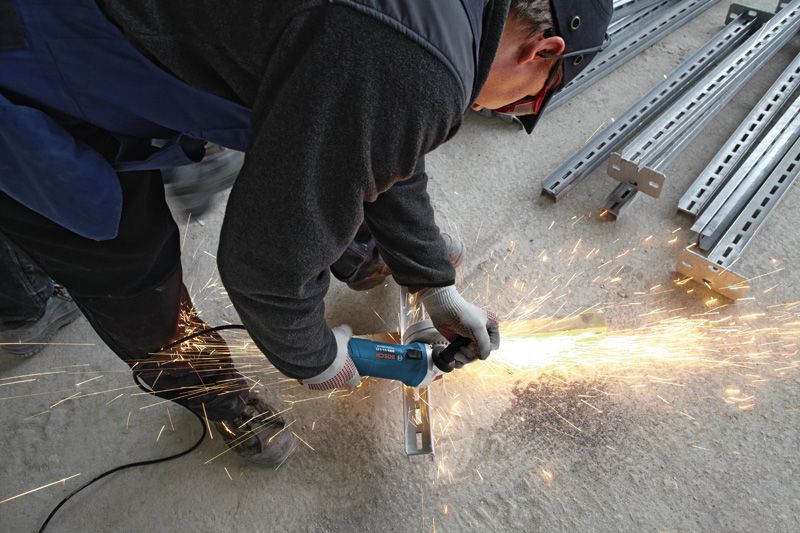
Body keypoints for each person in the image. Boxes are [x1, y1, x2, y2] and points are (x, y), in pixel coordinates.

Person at [0, 0, 613, 465]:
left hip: (140, 30)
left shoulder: (449, 26)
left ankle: (360, 255)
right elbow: (262, 266)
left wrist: (434, 280)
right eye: (524, 104)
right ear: (543, 52)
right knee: (122, 260)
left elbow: (386, 137)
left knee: (324, 165)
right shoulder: (416, 64)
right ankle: (210, 391)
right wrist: (322, 360)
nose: (497, 111)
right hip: (32, 62)